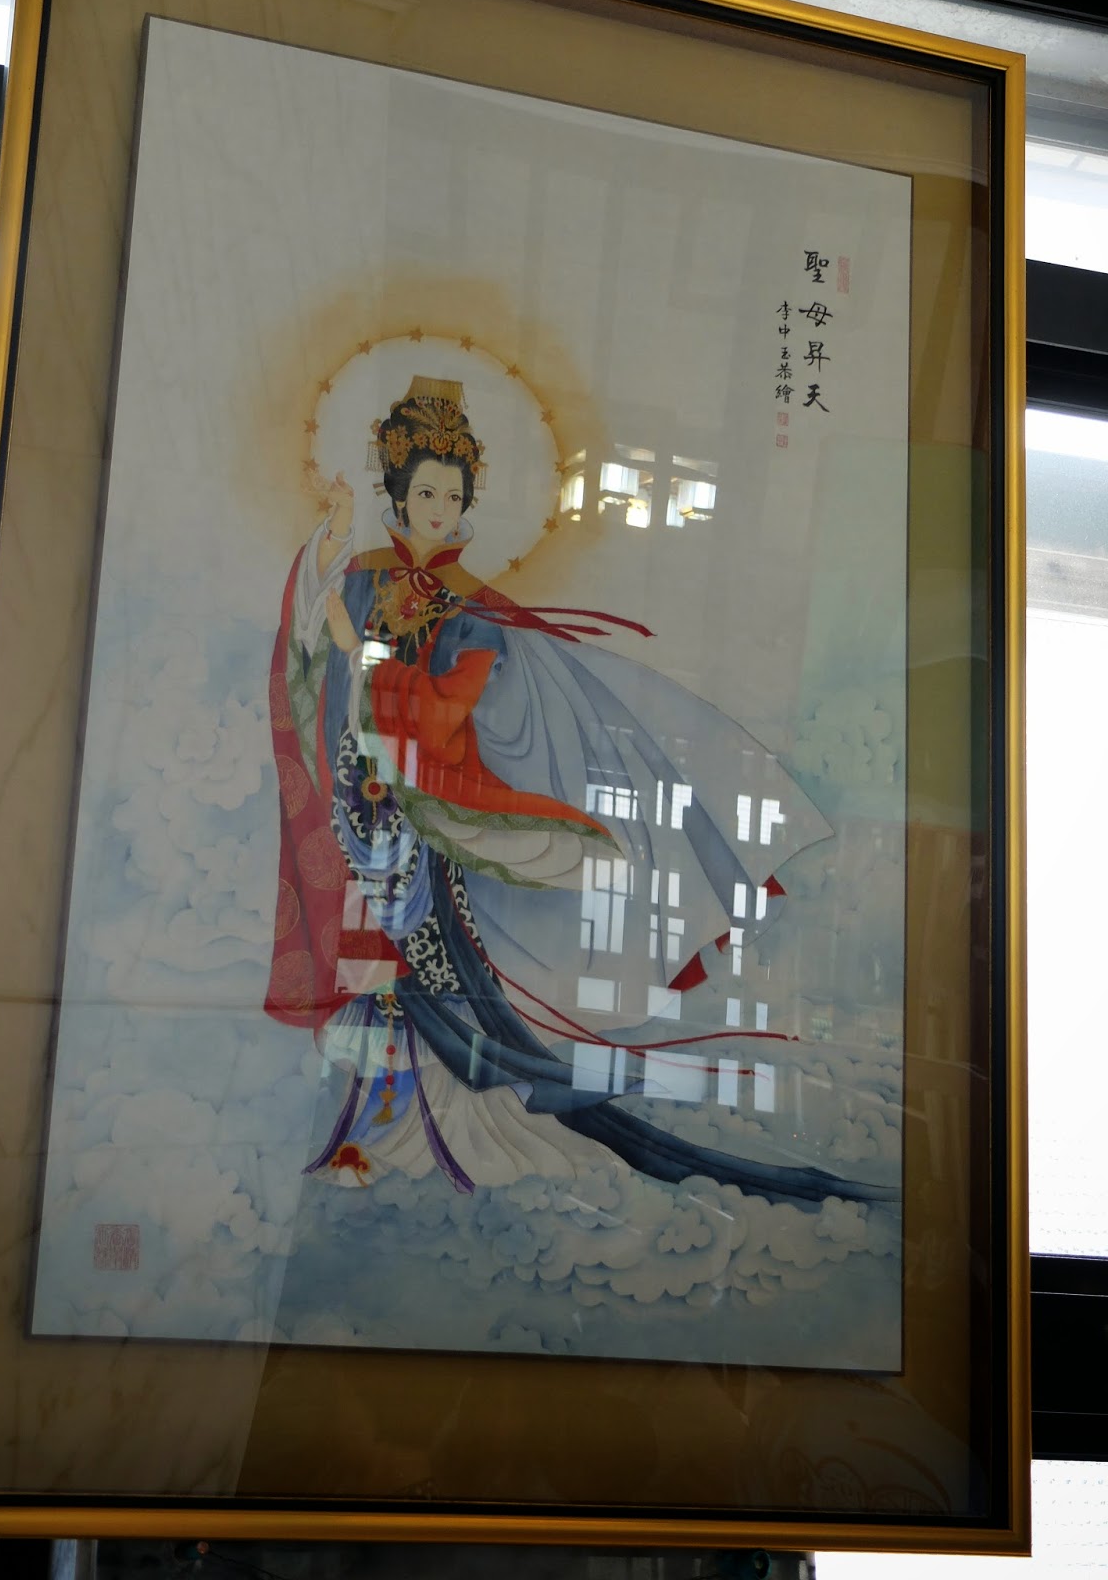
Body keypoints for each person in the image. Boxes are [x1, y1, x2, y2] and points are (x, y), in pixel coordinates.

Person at [265, 376, 888, 1208]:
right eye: (426, 493)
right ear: (398, 494)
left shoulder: (473, 611)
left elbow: (447, 710)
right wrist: (333, 544)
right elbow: (308, 639)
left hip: (430, 816)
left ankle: (459, 1122)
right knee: (375, 962)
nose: (439, 510)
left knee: (436, 962)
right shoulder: (361, 581)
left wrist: (364, 657)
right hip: (364, 806)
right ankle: (375, 1125)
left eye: (453, 495)